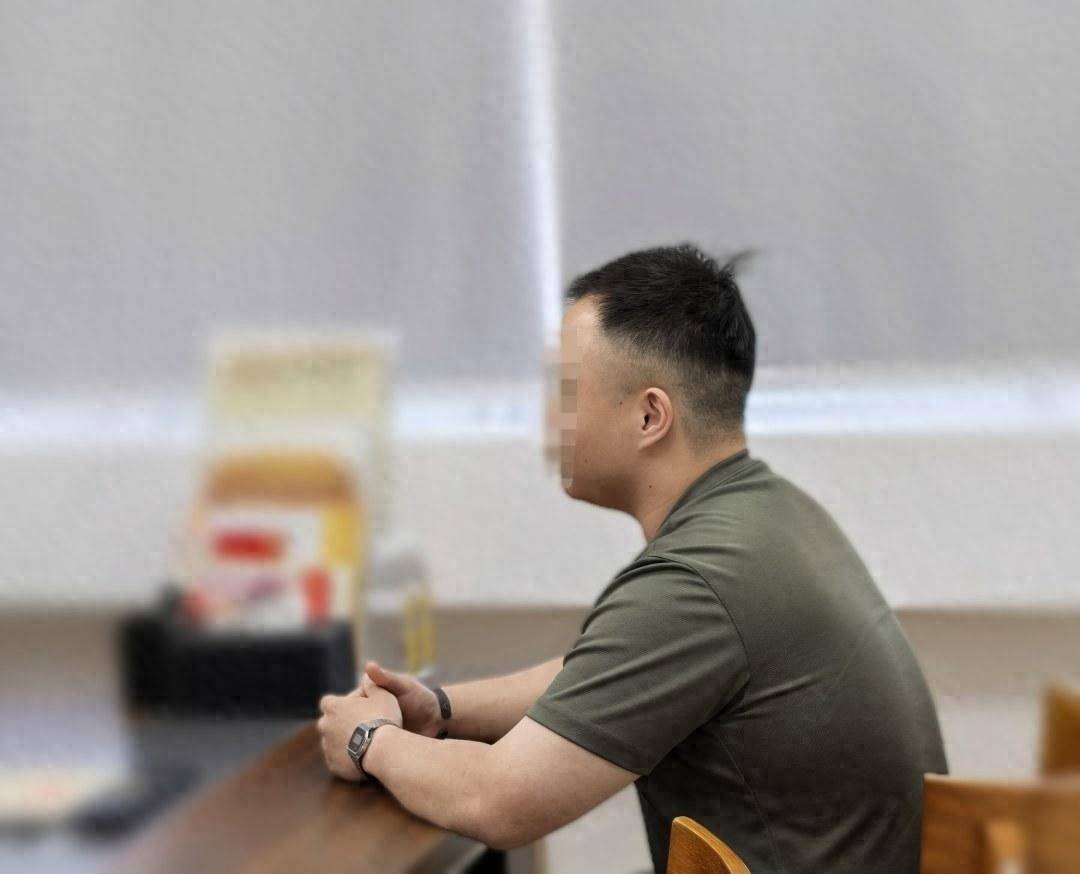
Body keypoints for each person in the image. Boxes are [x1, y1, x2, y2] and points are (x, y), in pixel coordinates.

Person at [318, 243, 947, 873]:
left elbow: (499, 801)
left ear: (650, 415)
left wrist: (368, 739)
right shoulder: (772, 515)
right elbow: (605, 673)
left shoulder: (694, 583)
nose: (548, 420)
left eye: (568, 392)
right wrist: (441, 708)